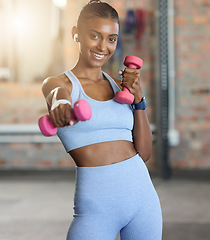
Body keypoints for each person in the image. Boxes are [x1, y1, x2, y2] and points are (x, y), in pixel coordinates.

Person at [42, 1, 162, 239]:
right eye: (95, 35)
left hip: (143, 200)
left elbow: (145, 153)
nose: (103, 46)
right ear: (76, 34)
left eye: (111, 38)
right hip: (97, 209)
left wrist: (139, 100)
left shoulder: (118, 87)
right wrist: (61, 105)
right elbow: (56, 94)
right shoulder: (61, 84)